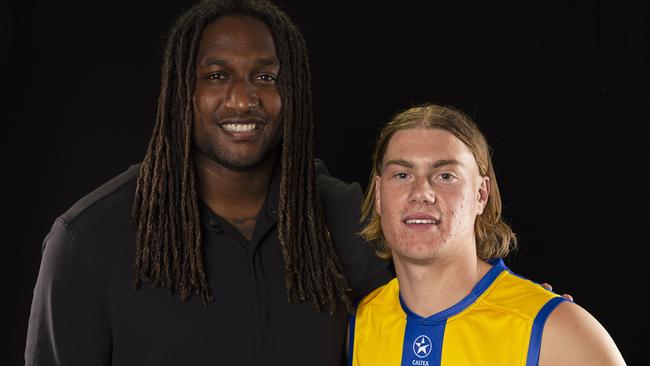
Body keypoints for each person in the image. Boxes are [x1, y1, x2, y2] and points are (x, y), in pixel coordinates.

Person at [24, 1, 391, 365]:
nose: (243, 100)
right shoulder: (88, 240)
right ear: (181, 90)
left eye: (265, 77)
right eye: (217, 75)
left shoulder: (349, 218)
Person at [349, 104, 626, 365]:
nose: (421, 192)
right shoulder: (359, 324)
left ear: (481, 194)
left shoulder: (556, 329)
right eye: (402, 175)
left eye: (446, 176)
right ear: (378, 194)